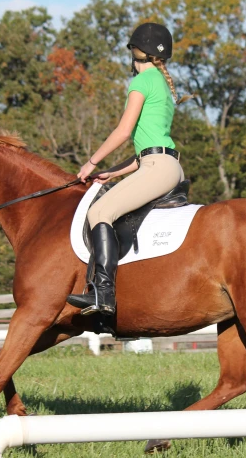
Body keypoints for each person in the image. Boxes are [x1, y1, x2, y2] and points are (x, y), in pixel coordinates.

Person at [66, 22, 186, 316]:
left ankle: (102, 295)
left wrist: (92, 162)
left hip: (157, 166)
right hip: (165, 164)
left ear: (136, 50)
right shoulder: (162, 84)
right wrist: (113, 172)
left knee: (98, 213)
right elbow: (147, 148)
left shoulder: (141, 82)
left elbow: (123, 131)